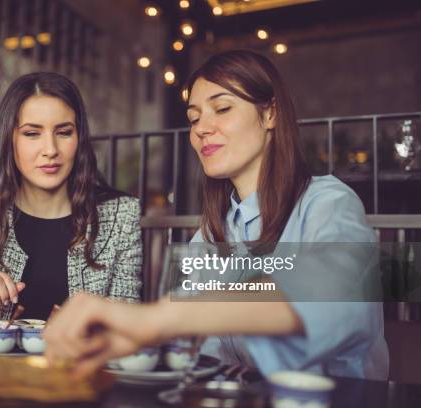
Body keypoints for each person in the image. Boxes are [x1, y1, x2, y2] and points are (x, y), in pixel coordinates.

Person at [43, 50, 388, 380]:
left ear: (270, 114)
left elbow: (325, 295)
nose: (201, 128)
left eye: (222, 108)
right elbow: (193, 342)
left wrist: (156, 318)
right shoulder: (211, 232)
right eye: (194, 118)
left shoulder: (329, 203)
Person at [0, 72, 142, 334]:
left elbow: (127, 326)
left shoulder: (120, 214)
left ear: (79, 138)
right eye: (32, 133)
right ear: (10, 140)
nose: (50, 149)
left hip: (80, 371)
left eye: (64, 132)